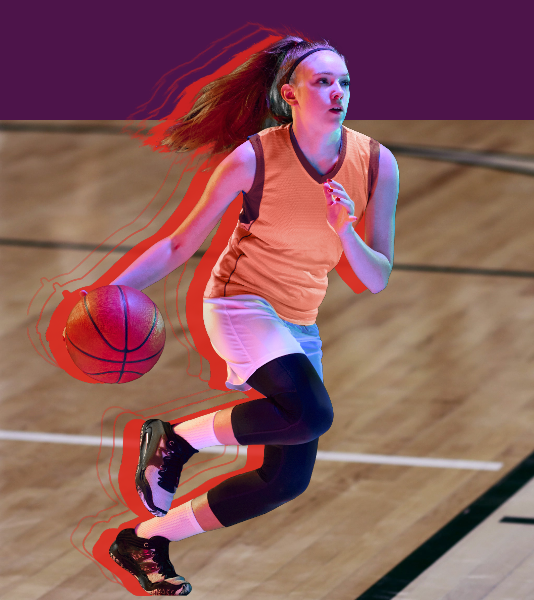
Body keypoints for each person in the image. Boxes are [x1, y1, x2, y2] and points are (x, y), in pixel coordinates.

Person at [105, 35, 399, 596]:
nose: (337, 92)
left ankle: (145, 539)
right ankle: (177, 439)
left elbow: (376, 277)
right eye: (322, 82)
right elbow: (178, 244)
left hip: (299, 319)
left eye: (344, 82)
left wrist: (345, 231)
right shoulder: (255, 157)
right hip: (239, 302)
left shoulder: (377, 164)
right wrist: (108, 292)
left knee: (283, 481)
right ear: (290, 94)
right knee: (311, 414)